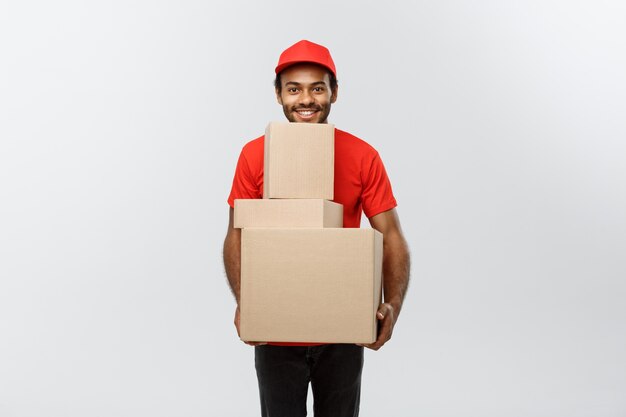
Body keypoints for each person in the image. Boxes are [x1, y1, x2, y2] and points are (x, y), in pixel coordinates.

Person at [223, 40, 410, 417]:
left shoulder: (362, 155)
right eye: (294, 89)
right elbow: (236, 234)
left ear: (334, 93)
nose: (305, 99)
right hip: (276, 326)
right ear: (278, 95)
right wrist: (247, 302)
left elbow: (390, 234)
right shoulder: (253, 155)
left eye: (317, 88)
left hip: (342, 327)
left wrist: (393, 305)